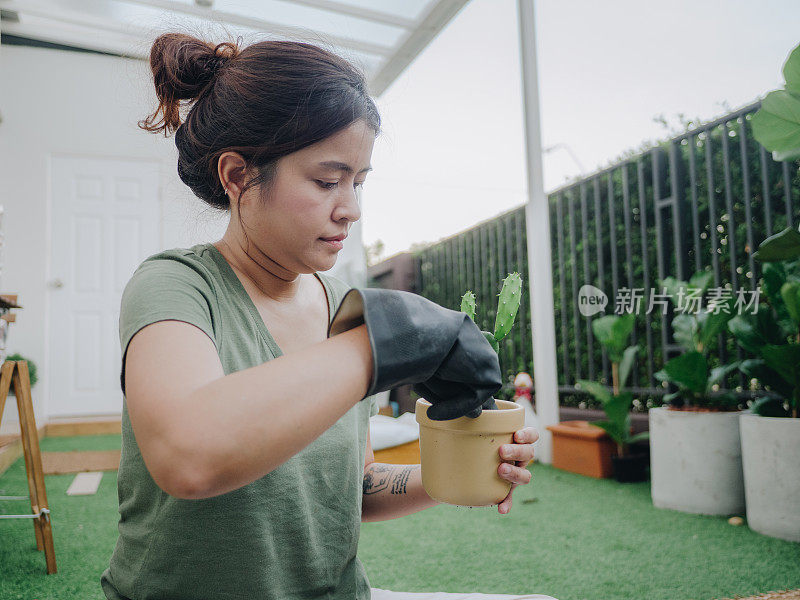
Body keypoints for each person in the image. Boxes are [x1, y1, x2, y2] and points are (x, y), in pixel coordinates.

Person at [100, 33, 555, 600]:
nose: (351, 209)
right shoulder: (176, 286)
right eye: (326, 181)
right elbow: (186, 454)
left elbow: (353, 488)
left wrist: (458, 473)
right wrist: (379, 346)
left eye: (358, 182)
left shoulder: (343, 305)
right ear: (238, 175)